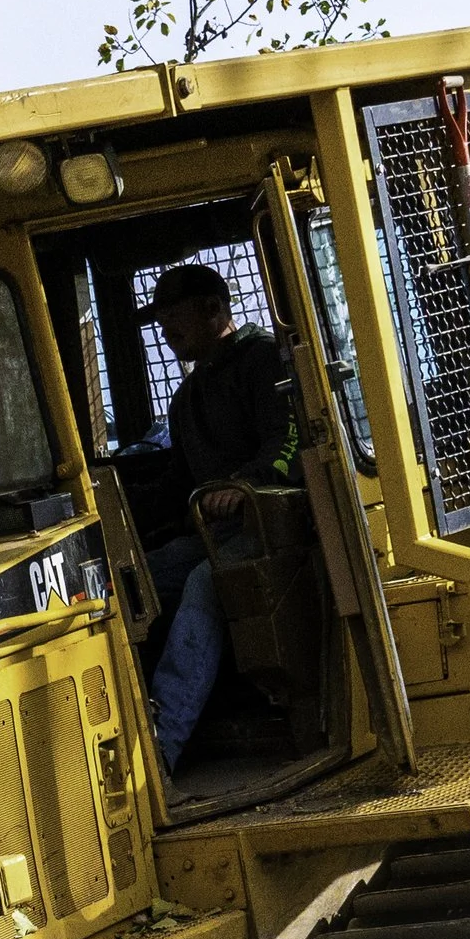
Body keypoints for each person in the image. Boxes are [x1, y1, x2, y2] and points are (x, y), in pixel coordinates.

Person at [138, 263, 302, 770]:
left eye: (175, 318)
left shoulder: (263, 362)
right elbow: (178, 482)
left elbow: (289, 441)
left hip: (275, 521)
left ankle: (160, 745)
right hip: (216, 530)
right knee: (134, 579)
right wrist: (119, 510)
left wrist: (245, 484)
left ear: (214, 309)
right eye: (160, 323)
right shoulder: (187, 396)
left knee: (208, 582)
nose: (167, 333)